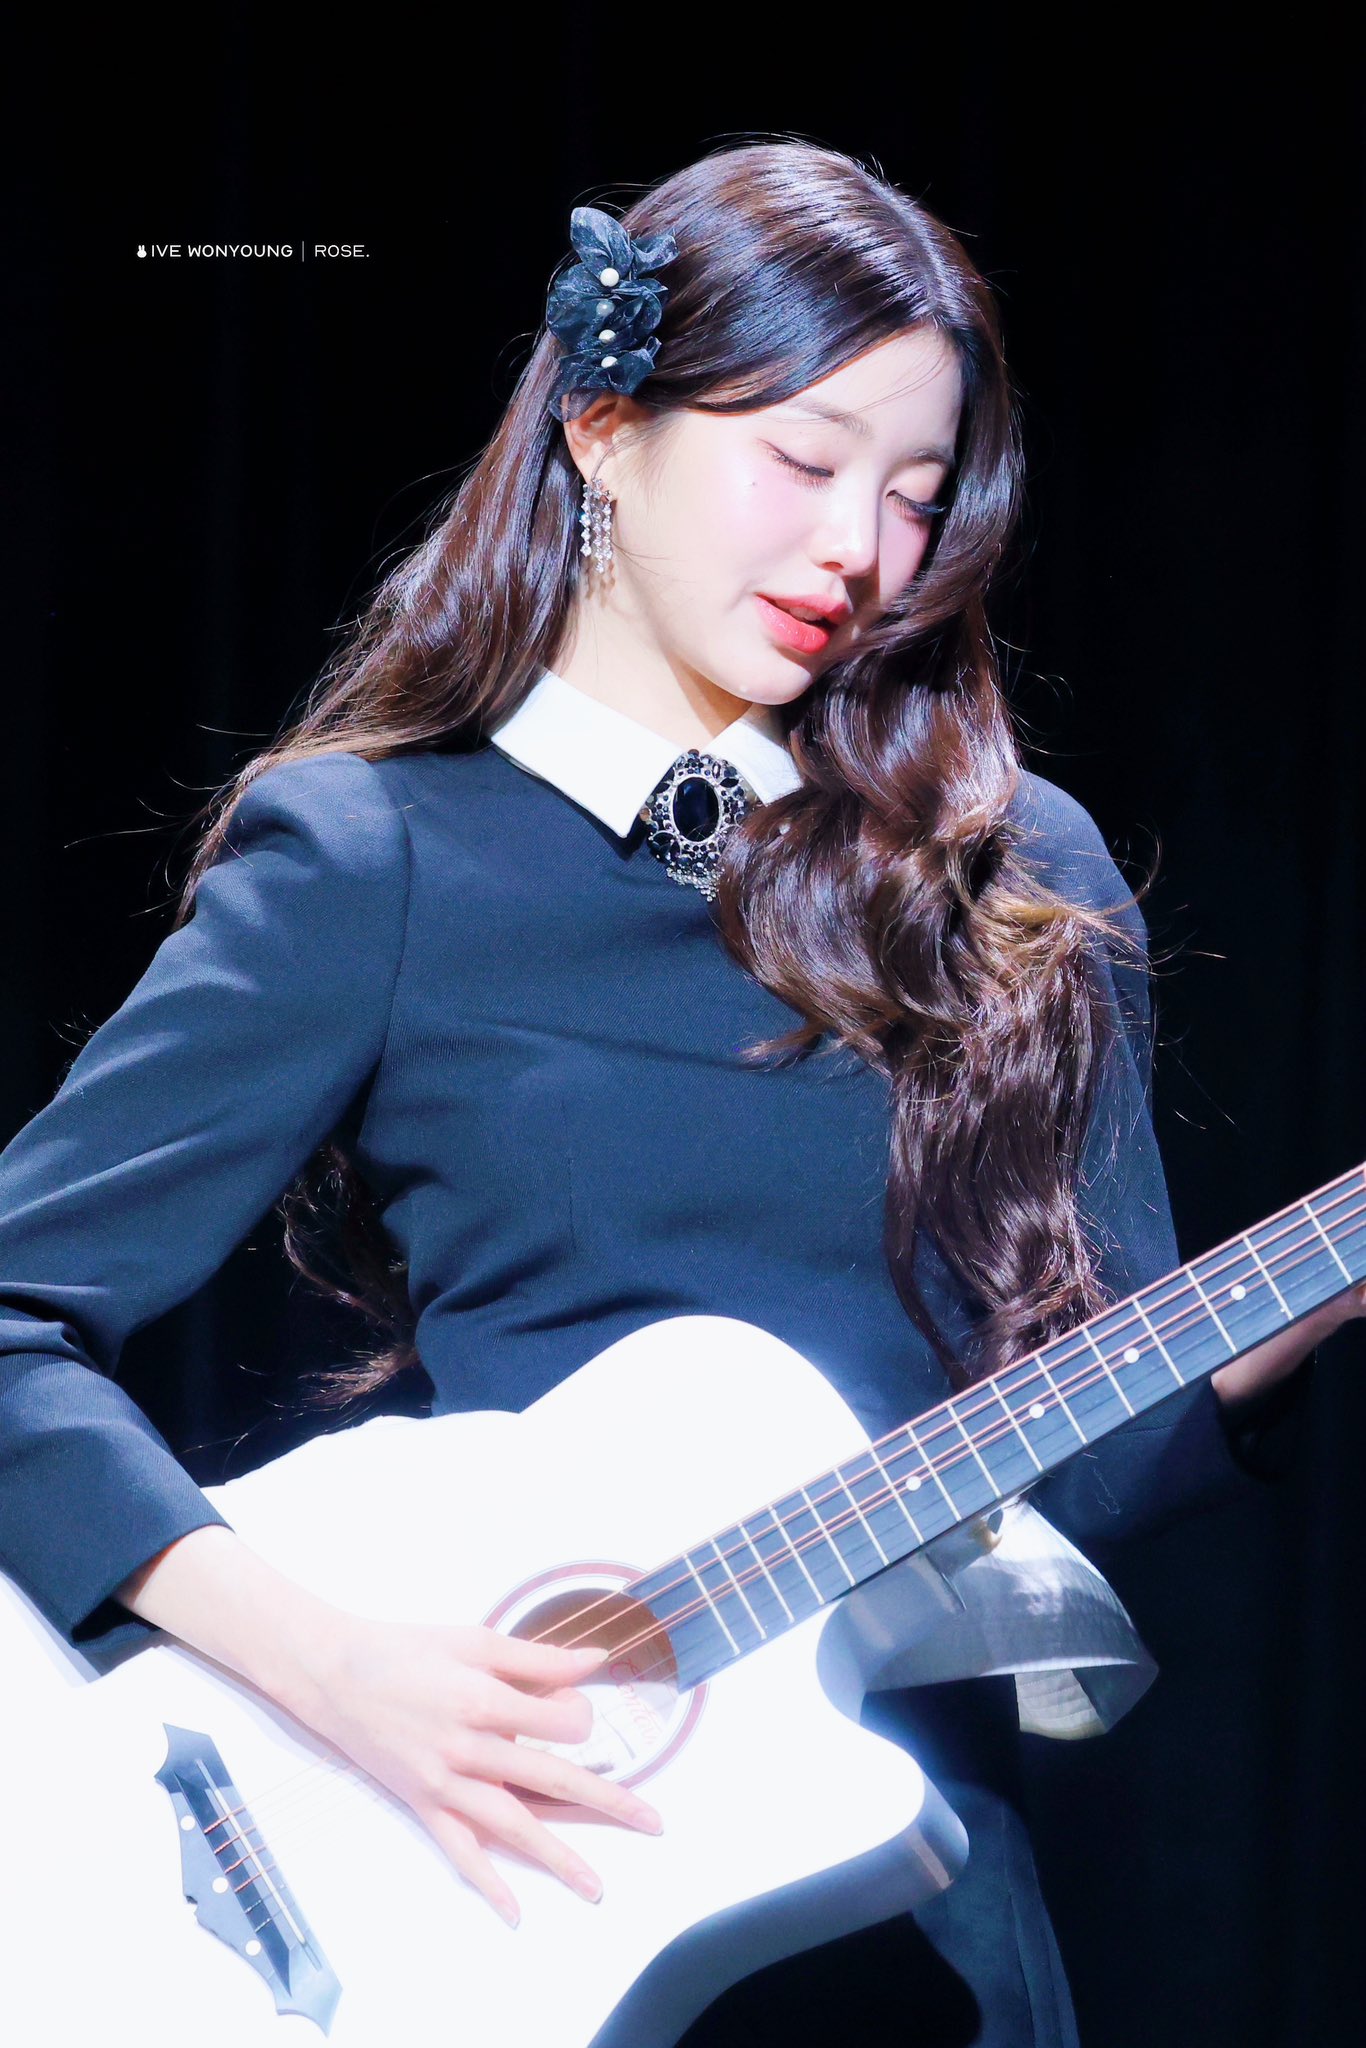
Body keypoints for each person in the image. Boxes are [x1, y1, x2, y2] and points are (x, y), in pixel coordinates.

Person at [1, 141, 1360, 2048]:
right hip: (496, 1880)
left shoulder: (1014, 878)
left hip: (904, 1896)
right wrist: (331, 1666)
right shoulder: (380, 857)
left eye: (914, 495)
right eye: (802, 460)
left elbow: (1090, 1457)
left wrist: (1324, 1289)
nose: (859, 550)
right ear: (603, 427)